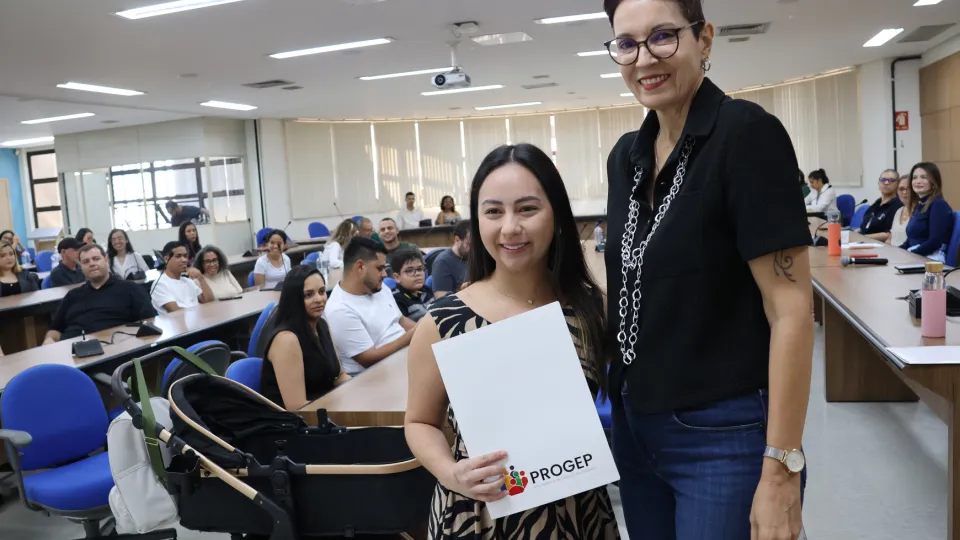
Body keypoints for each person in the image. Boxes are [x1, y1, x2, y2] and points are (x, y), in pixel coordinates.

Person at [602, 1, 812, 538]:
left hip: (721, 435)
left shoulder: (744, 134)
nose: (644, 57)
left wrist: (783, 468)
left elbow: (790, 310)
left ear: (705, 38)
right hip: (633, 426)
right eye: (626, 43)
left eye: (663, 37)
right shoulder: (627, 156)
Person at [405, 144, 619, 539]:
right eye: (493, 212)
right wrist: (452, 473)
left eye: (527, 209)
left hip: (578, 513)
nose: (509, 228)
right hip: (480, 516)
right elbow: (419, 422)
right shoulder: (443, 321)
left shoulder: (592, 308)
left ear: (556, 215)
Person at [260, 266, 350, 410]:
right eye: (308, 295)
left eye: (321, 292)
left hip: (326, 410)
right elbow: (298, 408)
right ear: (294, 299)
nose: (319, 299)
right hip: (299, 425)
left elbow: (339, 376)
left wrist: (363, 391)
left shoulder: (322, 325)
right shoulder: (286, 340)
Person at [324, 237, 415, 376]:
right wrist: (414, 335)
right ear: (360, 267)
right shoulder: (339, 310)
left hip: (404, 359)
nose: (385, 274)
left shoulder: (379, 287)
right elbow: (370, 359)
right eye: (380, 268)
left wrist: (426, 330)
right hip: (374, 377)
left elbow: (401, 320)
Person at [42, 243, 155, 343]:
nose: (91, 264)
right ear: (81, 267)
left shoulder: (130, 289)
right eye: (86, 262)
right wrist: (49, 340)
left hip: (113, 347)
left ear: (106, 260)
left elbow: (149, 323)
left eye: (96, 259)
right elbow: (55, 329)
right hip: (72, 349)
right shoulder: (72, 295)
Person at [901, 161, 954, 261]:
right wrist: (896, 251)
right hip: (917, 255)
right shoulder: (919, 206)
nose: (918, 181)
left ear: (934, 182)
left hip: (931, 258)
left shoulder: (938, 205)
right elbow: (910, 241)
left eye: (924, 177)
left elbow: (935, 242)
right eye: (914, 177)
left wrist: (910, 254)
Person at [151, 241, 214, 313]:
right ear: (166, 259)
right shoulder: (160, 284)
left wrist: (201, 279)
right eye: (178, 256)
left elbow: (210, 302)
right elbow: (176, 312)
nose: (184, 260)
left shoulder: (188, 281)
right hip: (179, 323)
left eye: (185, 256)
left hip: (200, 321)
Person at [388, 248, 435, 322]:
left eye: (420, 269)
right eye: (409, 270)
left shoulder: (426, 290)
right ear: (397, 277)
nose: (417, 274)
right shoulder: (396, 299)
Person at [858, 169, 904, 242]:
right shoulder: (876, 204)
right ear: (878, 183)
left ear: (898, 184)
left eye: (891, 180)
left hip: (882, 246)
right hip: (864, 242)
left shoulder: (899, 205)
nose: (886, 183)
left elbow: (889, 234)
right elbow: (863, 227)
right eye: (883, 180)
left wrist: (862, 238)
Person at [431, 220, 471, 298]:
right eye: (469, 244)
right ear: (457, 240)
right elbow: (442, 301)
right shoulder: (442, 263)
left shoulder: (475, 257)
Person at [889, 175, 915, 247]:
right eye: (901, 189)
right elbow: (891, 238)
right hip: (893, 252)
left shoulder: (919, 211)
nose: (905, 192)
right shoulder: (899, 211)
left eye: (909, 189)